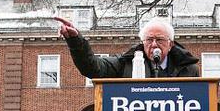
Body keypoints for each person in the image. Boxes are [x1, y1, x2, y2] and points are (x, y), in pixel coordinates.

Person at [57, 16, 200, 78]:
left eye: (160, 39)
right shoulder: (126, 64)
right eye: (149, 39)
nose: (154, 44)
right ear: (143, 42)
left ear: (171, 44)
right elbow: (93, 67)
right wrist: (75, 40)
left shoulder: (188, 69)